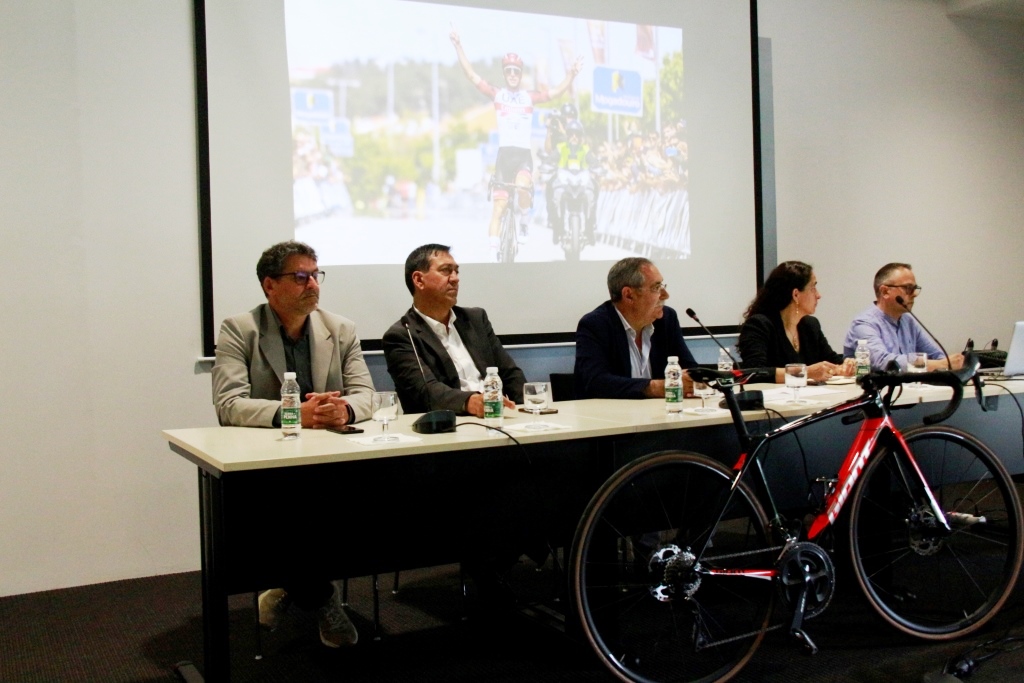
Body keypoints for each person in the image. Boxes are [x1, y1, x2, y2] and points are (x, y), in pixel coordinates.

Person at [211, 240, 374, 649]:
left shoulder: (341, 329)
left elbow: (366, 395)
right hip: (269, 465)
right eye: (299, 277)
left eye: (315, 275)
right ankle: (321, 599)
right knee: (295, 514)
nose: (312, 285)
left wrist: (343, 413)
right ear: (270, 286)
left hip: (332, 457)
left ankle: (287, 587)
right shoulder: (240, 329)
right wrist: (293, 414)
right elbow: (229, 404)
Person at [450, 27, 581, 257]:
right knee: (498, 210)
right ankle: (493, 258)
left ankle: (523, 221)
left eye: (516, 71)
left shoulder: (528, 97)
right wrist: (458, 45)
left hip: (522, 156)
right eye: (508, 70)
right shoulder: (497, 94)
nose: (512, 74)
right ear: (504, 73)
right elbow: (471, 75)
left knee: (522, 188)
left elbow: (556, 93)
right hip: (503, 158)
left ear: (520, 74)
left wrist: (570, 74)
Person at [383, 244, 525, 415]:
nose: (455, 278)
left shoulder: (476, 319)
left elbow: (510, 374)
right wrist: (471, 402)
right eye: (446, 271)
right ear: (419, 280)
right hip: (448, 426)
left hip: (498, 417)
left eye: (457, 271)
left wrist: (527, 409)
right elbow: (427, 391)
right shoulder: (402, 335)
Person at [575, 257, 697, 399]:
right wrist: (656, 387)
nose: (665, 295)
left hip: (661, 414)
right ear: (629, 295)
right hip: (612, 417)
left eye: (663, 286)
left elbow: (690, 368)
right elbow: (596, 382)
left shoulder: (666, 319)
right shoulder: (595, 324)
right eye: (656, 288)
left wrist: (694, 380)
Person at [736, 261, 853, 383]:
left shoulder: (810, 325)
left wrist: (845, 367)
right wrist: (804, 372)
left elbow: (832, 361)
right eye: (813, 288)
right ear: (796, 294)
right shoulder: (759, 325)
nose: (818, 295)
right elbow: (754, 373)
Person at [842, 262, 964, 371]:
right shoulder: (864, 323)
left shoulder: (908, 321)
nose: (915, 294)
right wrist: (938, 365)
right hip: (876, 393)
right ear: (885, 292)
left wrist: (948, 363)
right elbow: (883, 362)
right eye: (908, 288)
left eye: (915, 288)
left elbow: (937, 356)